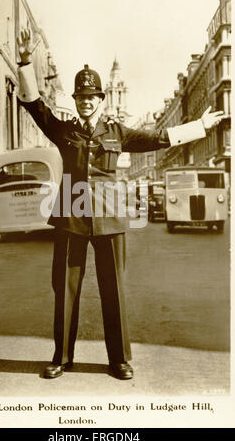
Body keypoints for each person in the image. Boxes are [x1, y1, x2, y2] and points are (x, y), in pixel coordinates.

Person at [16, 28, 224, 380]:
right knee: (65, 289)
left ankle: (119, 360)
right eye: (80, 97)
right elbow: (35, 106)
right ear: (77, 100)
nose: (85, 101)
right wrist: (23, 63)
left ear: (100, 99)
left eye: (91, 96)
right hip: (70, 216)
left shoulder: (117, 132)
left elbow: (159, 137)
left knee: (113, 289)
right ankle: (61, 358)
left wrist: (200, 127)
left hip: (110, 216)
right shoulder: (63, 129)